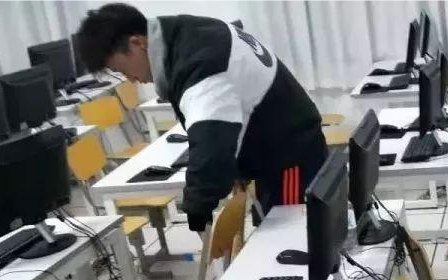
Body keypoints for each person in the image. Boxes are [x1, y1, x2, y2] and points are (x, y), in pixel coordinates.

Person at [76, 4, 327, 233]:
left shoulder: (201, 65)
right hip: (279, 149)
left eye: (122, 69)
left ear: (137, 43)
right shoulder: (189, 32)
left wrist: (197, 206)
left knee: (292, 239)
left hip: (289, 158)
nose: (130, 79)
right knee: (283, 238)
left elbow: (212, 149)